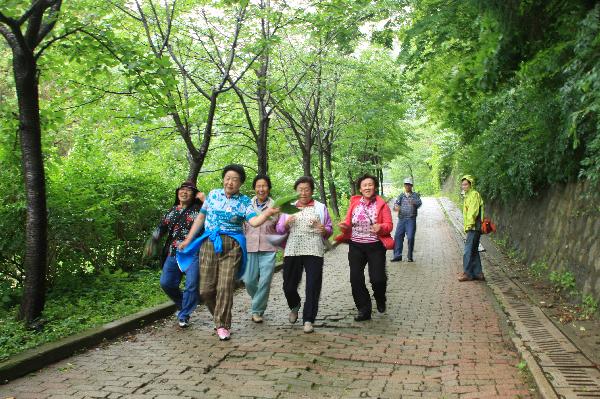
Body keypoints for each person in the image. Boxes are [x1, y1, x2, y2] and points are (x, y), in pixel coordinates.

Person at [177, 165, 279, 341]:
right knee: (206, 290)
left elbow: (254, 222)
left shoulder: (245, 201)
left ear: (240, 184)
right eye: (228, 178)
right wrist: (188, 239)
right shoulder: (213, 195)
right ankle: (219, 316)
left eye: (235, 179)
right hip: (209, 242)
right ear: (223, 179)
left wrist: (268, 213)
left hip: (232, 246)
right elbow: (201, 218)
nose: (230, 182)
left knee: (225, 286)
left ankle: (223, 325)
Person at [276, 176, 333, 333]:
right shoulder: (289, 208)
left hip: (314, 249)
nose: (303, 192)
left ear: (312, 191)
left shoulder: (320, 207)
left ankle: (308, 319)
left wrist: (324, 230)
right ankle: (295, 305)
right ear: (295, 191)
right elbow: (279, 229)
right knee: (288, 285)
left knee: (313, 285)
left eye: (307, 189)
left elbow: (329, 229)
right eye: (300, 189)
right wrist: (286, 223)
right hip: (292, 249)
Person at [335, 174, 394, 321]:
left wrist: (381, 227)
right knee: (356, 279)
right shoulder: (354, 204)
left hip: (375, 246)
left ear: (374, 187)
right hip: (356, 246)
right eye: (364, 185)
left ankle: (380, 298)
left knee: (378, 279)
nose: (367, 187)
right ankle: (364, 309)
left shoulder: (382, 205)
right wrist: (345, 226)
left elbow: (389, 226)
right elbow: (349, 222)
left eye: (370, 185)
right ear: (360, 189)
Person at [150, 181, 205, 328]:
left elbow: (214, 218)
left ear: (194, 195)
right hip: (174, 253)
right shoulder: (172, 210)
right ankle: (183, 304)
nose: (184, 192)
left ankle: (184, 314)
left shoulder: (200, 210)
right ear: (178, 192)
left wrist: (205, 201)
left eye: (189, 190)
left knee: (192, 285)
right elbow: (161, 227)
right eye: (182, 189)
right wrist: (153, 240)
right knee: (166, 283)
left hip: (194, 253)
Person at [243, 174, 280, 323]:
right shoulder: (247, 205)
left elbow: (282, 227)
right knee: (249, 281)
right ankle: (259, 300)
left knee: (265, 281)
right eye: (258, 186)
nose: (261, 189)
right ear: (254, 188)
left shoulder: (276, 206)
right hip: (250, 247)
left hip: (268, 248)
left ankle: (257, 310)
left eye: (264, 186)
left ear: (269, 188)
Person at [458, 175, 485, 282]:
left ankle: (467, 273)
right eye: (462, 184)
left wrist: (469, 225)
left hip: (474, 226)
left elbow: (473, 211)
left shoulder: (473, 195)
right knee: (474, 250)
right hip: (474, 226)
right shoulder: (467, 195)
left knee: (468, 250)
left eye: (466, 184)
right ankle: (478, 273)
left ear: (470, 184)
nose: (463, 186)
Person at [392, 177, 422, 262]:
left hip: (411, 220)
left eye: (409, 185)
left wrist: (414, 202)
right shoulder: (401, 195)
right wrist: (396, 208)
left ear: (411, 186)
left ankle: (410, 256)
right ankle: (397, 255)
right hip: (401, 219)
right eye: (406, 185)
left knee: (410, 237)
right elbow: (395, 206)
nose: (407, 186)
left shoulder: (415, 195)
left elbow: (419, 203)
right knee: (398, 236)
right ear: (404, 186)